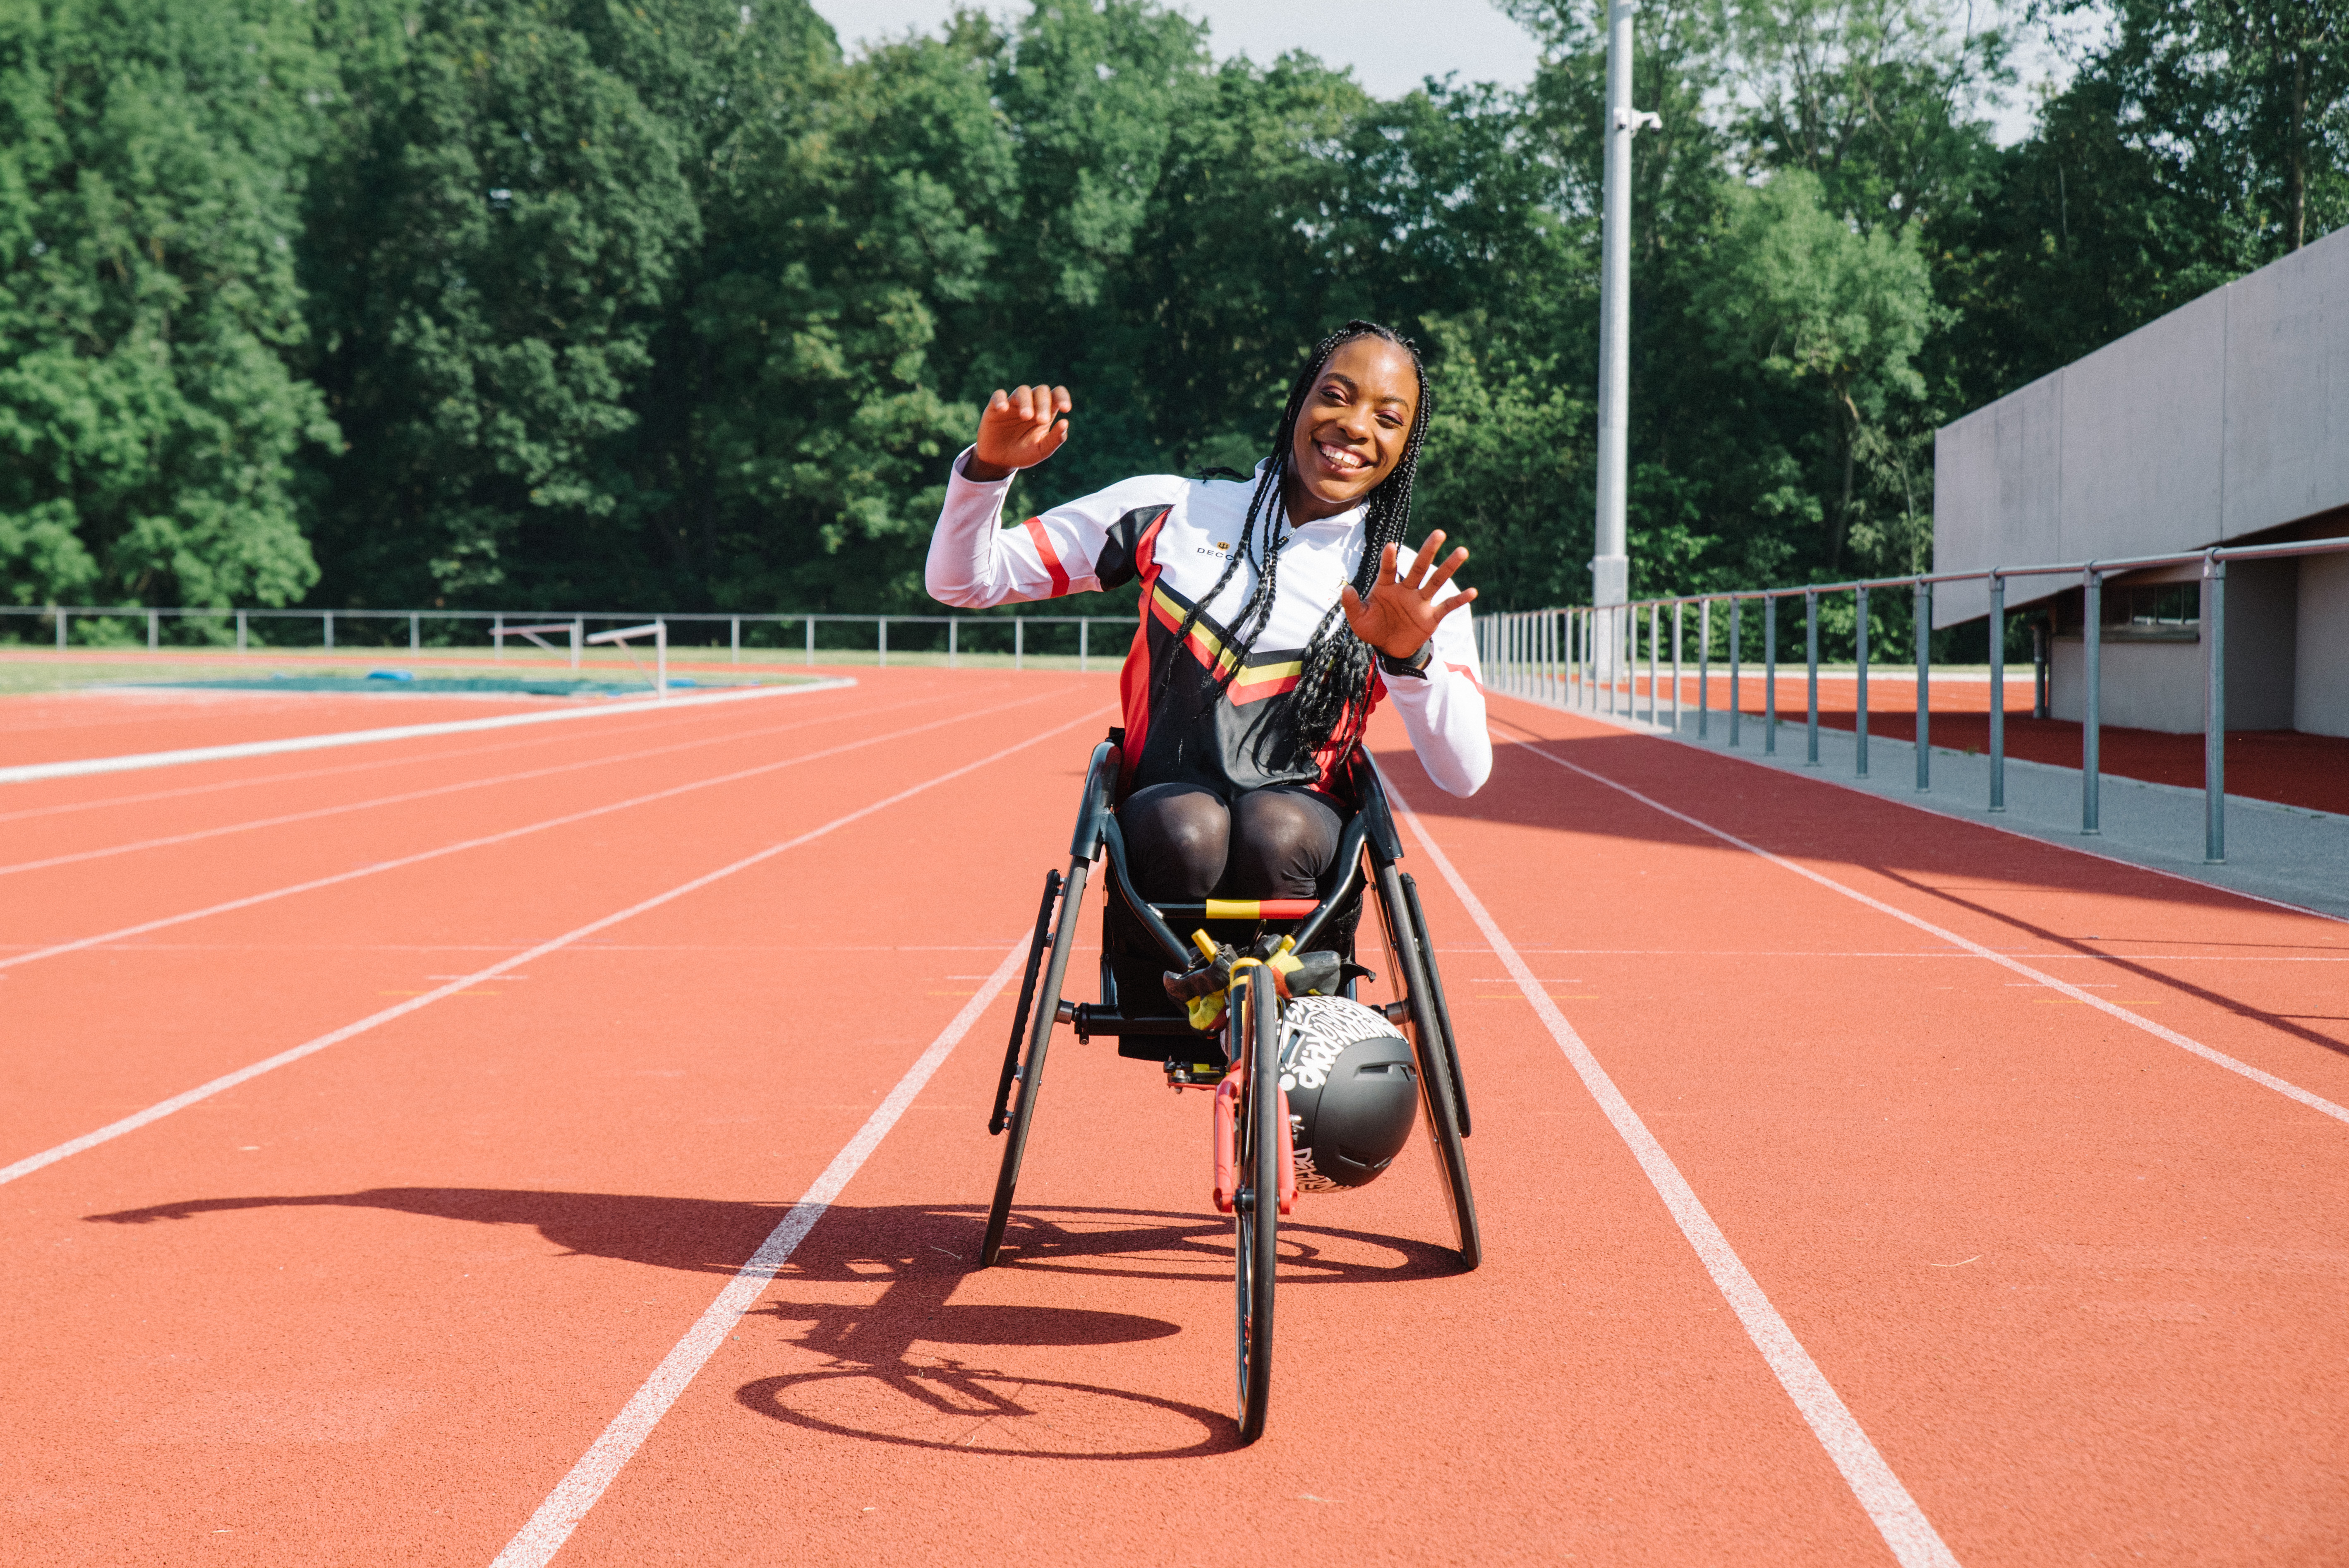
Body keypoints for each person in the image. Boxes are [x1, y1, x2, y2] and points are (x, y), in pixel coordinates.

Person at [925, 319, 1489, 1003]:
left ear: (1405, 447)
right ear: (1298, 404)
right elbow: (964, 581)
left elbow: (1463, 775)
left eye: (1387, 417)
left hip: (1301, 836)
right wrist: (987, 472)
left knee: (1273, 828)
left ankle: (1284, 1009)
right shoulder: (1172, 510)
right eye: (1335, 396)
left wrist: (1409, 656)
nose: (1353, 426)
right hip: (1163, 824)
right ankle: (1190, 990)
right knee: (1190, 825)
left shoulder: (1405, 583)